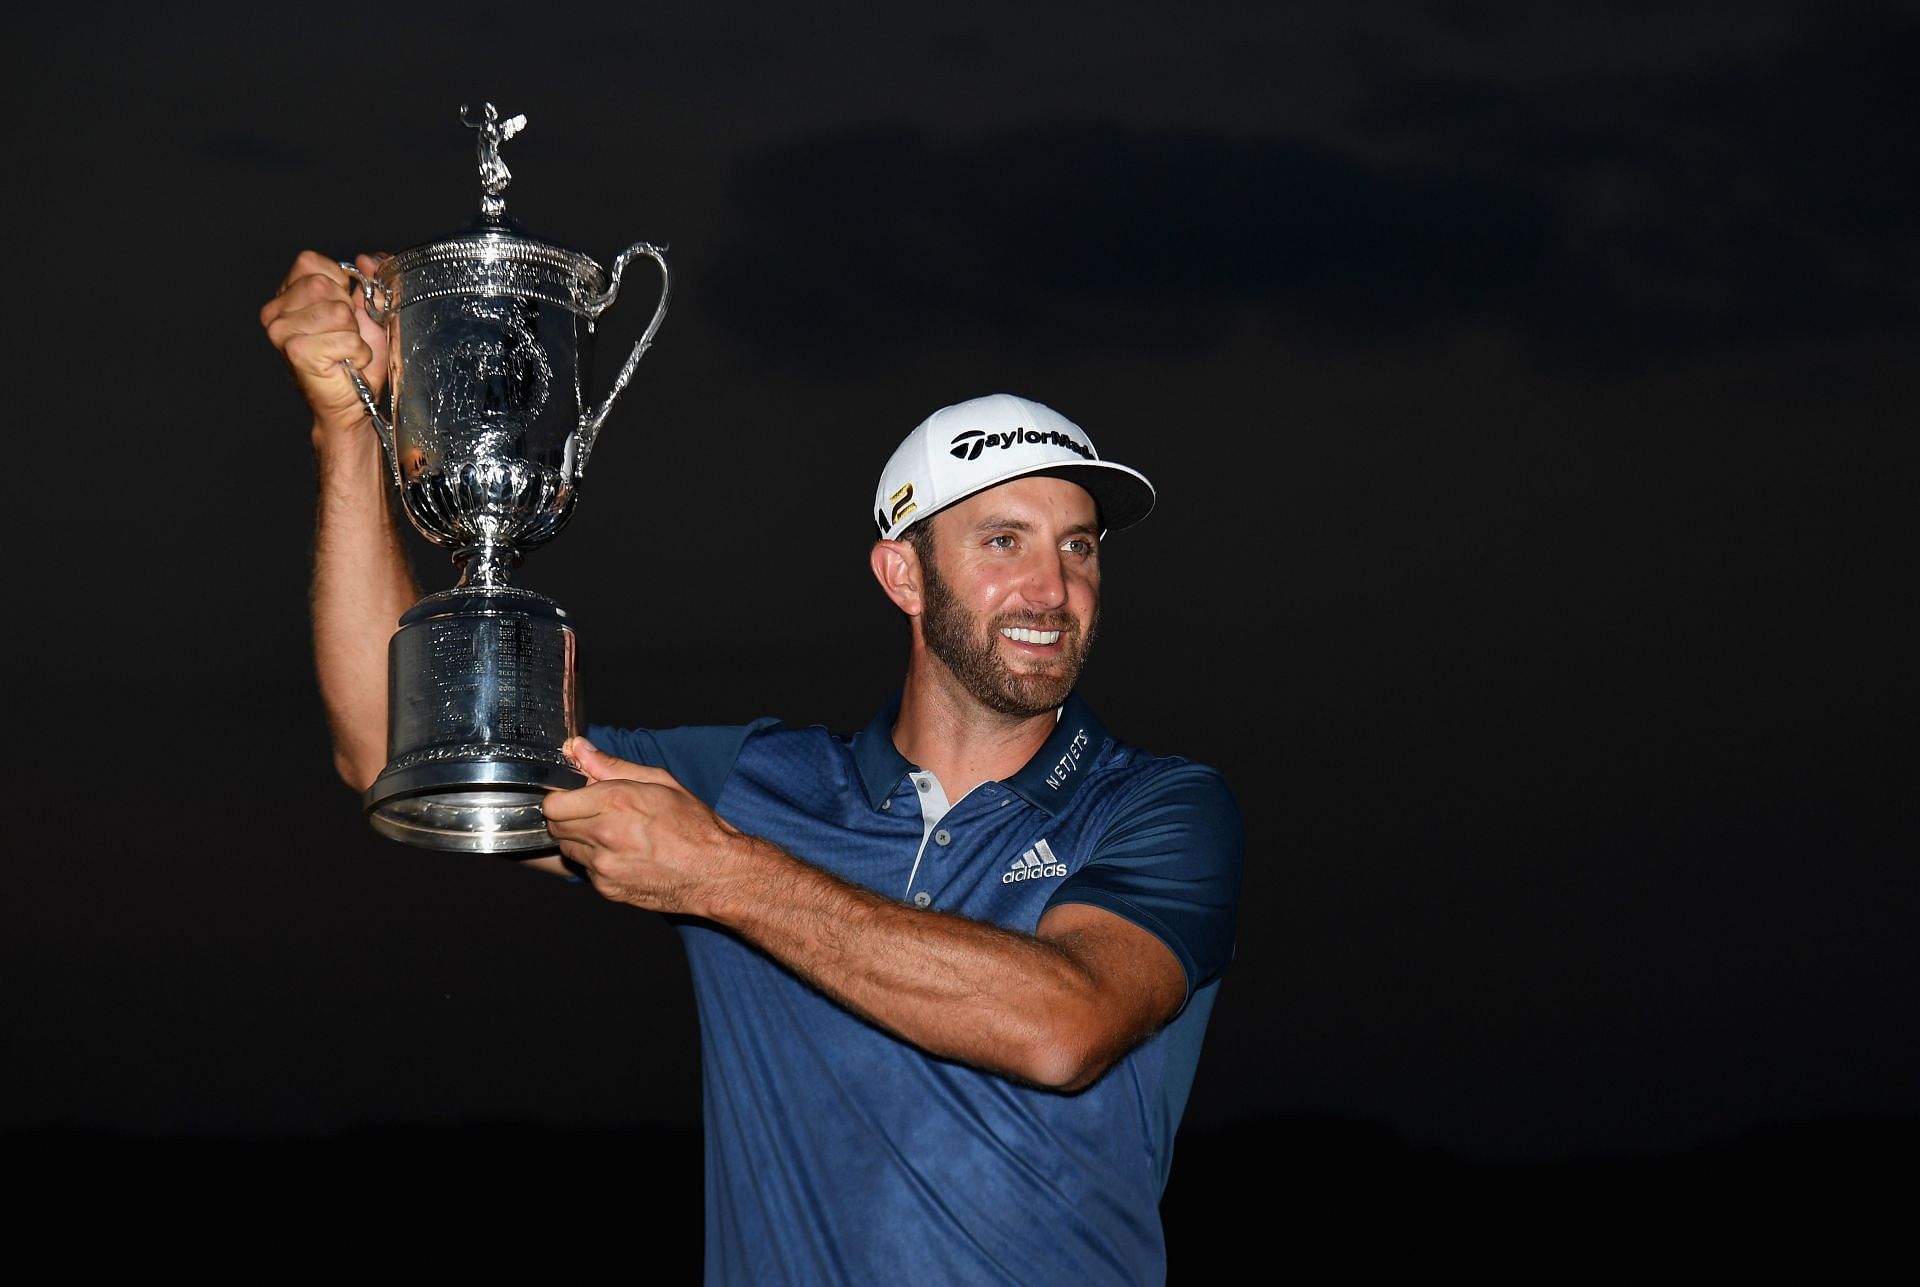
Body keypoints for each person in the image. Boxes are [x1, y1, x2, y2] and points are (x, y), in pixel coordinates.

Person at [261, 250, 1245, 1284]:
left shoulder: (1157, 806)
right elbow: (389, 744)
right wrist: (345, 430)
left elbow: (1064, 1024)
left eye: (1080, 547)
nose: (1052, 587)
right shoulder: (753, 787)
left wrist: (723, 875)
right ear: (902, 574)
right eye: (1004, 541)